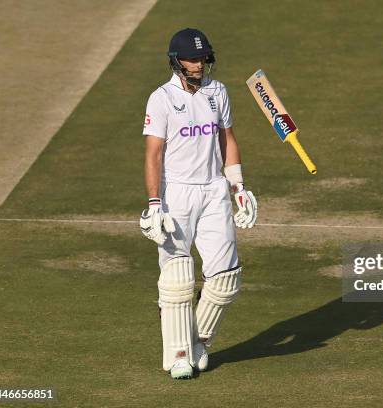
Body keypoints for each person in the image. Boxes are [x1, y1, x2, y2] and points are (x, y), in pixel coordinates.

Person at [139, 28, 257, 379]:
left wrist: (238, 186)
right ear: (176, 62)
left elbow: (228, 140)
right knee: (177, 276)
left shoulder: (217, 92)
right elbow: (153, 154)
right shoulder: (160, 99)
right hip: (176, 193)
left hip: (214, 190)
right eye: (192, 59)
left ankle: (198, 341)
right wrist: (155, 203)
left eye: (203, 58)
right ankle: (178, 354)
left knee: (226, 279)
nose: (199, 64)